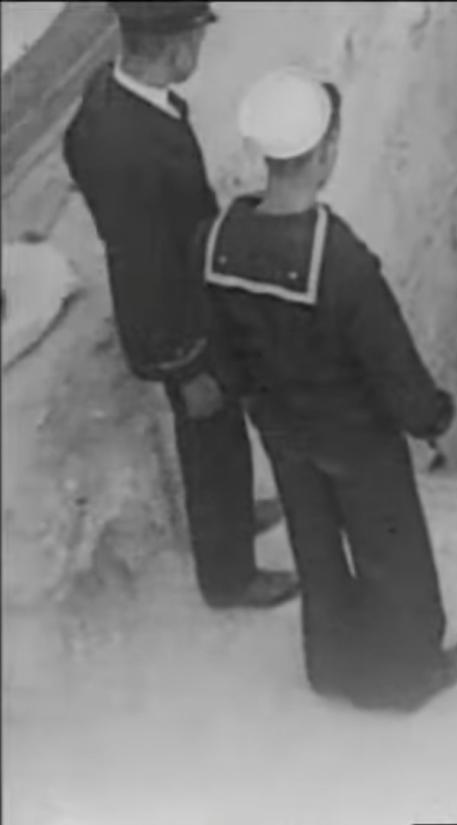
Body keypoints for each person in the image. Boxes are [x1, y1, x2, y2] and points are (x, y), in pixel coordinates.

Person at [193, 67, 457, 711]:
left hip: (283, 432)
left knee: (314, 543)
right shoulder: (341, 262)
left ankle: (330, 663)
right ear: (325, 152)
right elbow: (393, 367)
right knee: (391, 551)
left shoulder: (215, 243)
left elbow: (222, 349)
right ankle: (407, 675)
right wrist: (432, 418)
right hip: (356, 438)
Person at [62, 2, 298, 610]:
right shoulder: (135, 148)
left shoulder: (110, 103)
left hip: (191, 303)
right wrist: (182, 364)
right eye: (196, 36)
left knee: (218, 434)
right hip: (183, 325)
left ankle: (232, 519)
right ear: (174, 47)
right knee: (211, 435)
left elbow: (80, 157)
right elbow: (141, 270)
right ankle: (229, 577)